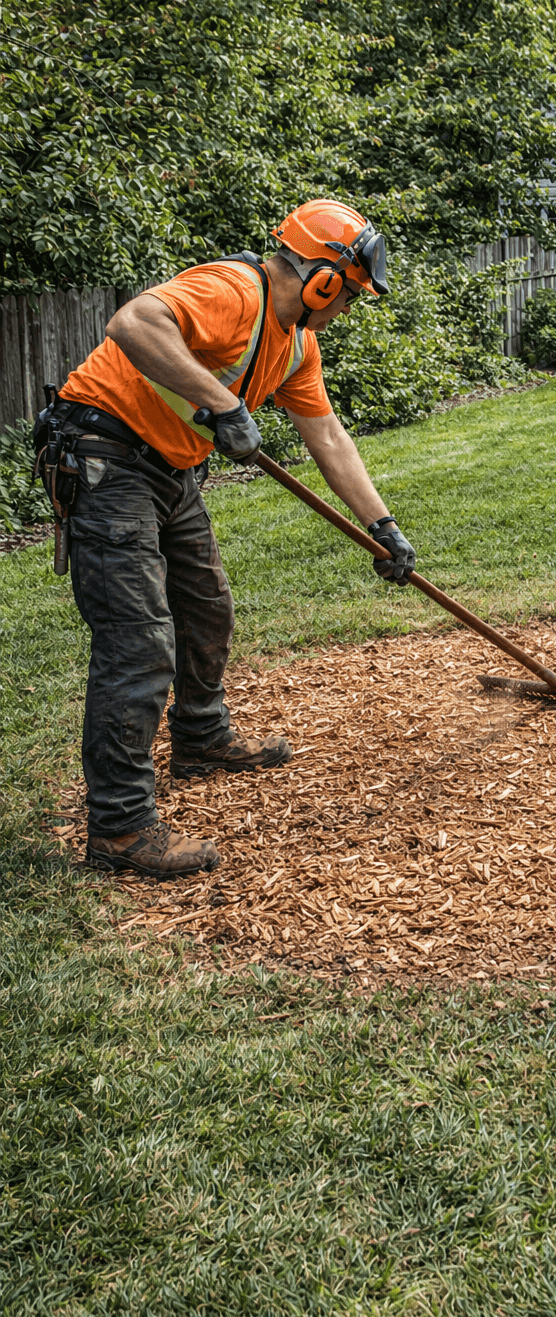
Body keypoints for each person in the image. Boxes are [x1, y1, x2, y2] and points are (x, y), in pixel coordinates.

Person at [46, 200, 415, 880]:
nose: (346, 310)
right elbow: (132, 323)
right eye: (350, 296)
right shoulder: (231, 290)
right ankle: (121, 829)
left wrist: (381, 526)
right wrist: (221, 402)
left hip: (171, 469)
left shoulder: (298, 344)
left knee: (208, 607)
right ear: (321, 279)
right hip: (105, 456)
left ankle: (199, 734)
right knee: (137, 640)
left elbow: (328, 436)